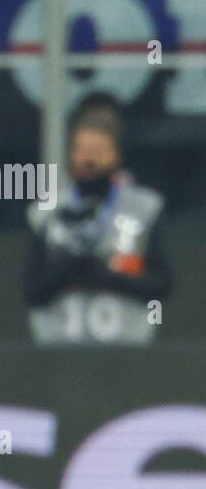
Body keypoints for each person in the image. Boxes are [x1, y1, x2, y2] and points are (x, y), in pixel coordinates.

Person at [25, 120, 171, 345]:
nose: (88, 160)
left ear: (116, 156)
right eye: (81, 151)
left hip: (129, 349)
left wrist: (108, 276)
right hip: (58, 351)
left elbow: (160, 286)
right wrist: (67, 270)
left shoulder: (144, 209)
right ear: (69, 156)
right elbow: (32, 292)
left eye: (97, 151)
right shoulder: (46, 213)